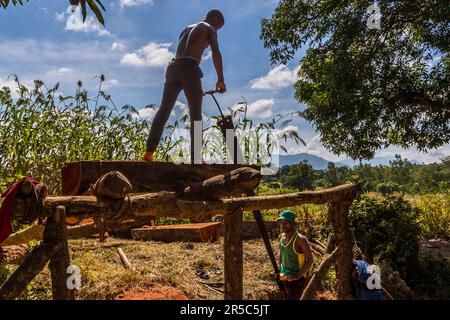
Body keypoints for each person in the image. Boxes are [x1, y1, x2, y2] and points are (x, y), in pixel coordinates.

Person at [143, 9, 227, 163]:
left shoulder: (186, 29)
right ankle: (196, 157)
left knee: (164, 110)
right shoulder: (209, 28)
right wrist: (220, 79)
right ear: (214, 18)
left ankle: (148, 153)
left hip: (173, 67)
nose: (217, 30)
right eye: (219, 26)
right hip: (190, 67)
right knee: (196, 114)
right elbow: (216, 53)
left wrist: (193, 88)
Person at [276, 209, 313, 300]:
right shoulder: (281, 237)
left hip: (295, 280)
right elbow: (281, 254)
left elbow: (310, 259)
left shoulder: (300, 240)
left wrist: (297, 276)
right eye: (281, 222)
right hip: (284, 277)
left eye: (286, 223)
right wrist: (279, 269)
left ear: (293, 224)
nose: (282, 225)